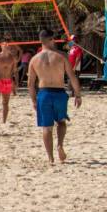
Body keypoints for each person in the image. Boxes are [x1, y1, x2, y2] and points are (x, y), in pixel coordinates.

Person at [28, 31, 82, 164]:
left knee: (46, 127)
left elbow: (30, 84)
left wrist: (34, 100)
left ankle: (50, 158)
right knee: (61, 122)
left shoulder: (34, 59)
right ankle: (60, 145)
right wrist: (78, 95)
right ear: (51, 40)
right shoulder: (61, 56)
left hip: (44, 94)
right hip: (59, 93)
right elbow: (72, 77)